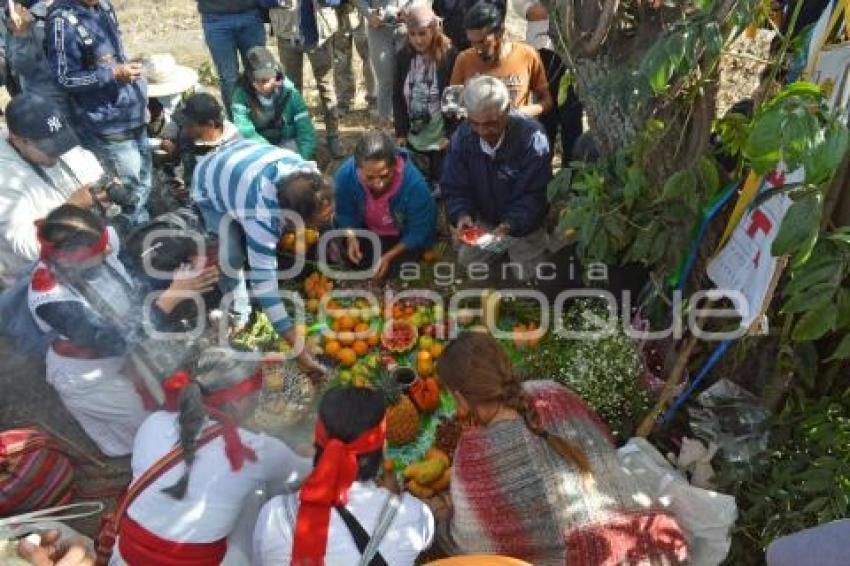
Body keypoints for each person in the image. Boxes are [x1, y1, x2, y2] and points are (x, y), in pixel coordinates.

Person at [433, 331, 689, 564]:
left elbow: (469, 545)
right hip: (660, 543)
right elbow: (604, 443)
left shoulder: (473, 455)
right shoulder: (552, 392)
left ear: (459, 398)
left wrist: (440, 520)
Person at [28, 205, 219, 456]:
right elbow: (118, 341)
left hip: (128, 355)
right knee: (153, 438)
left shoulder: (101, 239)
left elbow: (138, 277)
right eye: (98, 252)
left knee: (167, 414)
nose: (109, 251)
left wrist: (190, 259)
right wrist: (173, 295)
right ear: (69, 258)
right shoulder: (51, 298)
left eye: (104, 243)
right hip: (90, 376)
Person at [110, 348, 311, 565]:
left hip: (125, 557)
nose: (258, 400)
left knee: (238, 486)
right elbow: (304, 471)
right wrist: (305, 450)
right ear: (238, 401)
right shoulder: (256, 449)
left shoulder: (155, 422)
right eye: (256, 393)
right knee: (259, 493)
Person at [191, 139, 332, 371]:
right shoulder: (262, 217)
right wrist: (296, 346)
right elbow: (264, 285)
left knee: (258, 249)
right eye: (319, 220)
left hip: (243, 158)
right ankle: (239, 312)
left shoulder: (311, 179)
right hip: (211, 182)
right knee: (232, 256)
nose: (327, 219)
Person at [254, 386, 435, 565]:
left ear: (317, 442)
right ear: (382, 447)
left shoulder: (274, 516)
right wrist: (393, 501)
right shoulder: (413, 514)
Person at [46, 0, 152, 225]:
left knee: (144, 182)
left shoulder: (103, 6)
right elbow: (65, 78)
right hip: (107, 121)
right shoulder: (61, 21)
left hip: (132, 112)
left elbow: (115, 54)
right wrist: (113, 74)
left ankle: (147, 230)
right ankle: (136, 240)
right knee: (126, 192)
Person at [440, 76, 552, 281]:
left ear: (507, 110)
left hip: (522, 223)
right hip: (486, 220)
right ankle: (501, 249)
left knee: (531, 275)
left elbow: (535, 194)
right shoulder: (463, 137)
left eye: (491, 124)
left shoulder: (532, 138)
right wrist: (462, 214)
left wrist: (511, 224)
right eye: (476, 123)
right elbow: (454, 186)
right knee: (469, 263)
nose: (483, 131)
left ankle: (529, 243)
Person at [0, 94, 103, 287]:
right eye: (49, 149)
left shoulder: (50, 139)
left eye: (62, 142)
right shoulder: (4, 179)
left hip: (85, 255)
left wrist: (102, 191)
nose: (58, 152)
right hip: (43, 280)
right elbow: (29, 247)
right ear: (18, 140)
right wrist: (72, 208)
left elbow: (91, 171)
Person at [335, 130, 437, 280]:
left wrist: (389, 256)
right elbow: (344, 212)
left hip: (400, 236)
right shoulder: (345, 176)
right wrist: (352, 237)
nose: (378, 183)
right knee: (352, 255)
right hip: (367, 230)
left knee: (397, 268)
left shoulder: (415, 185)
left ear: (394, 165)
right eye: (369, 177)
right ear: (358, 168)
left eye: (384, 175)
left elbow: (419, 230)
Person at [268, 0, 345, 158]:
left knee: (326, 86)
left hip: (319, 34)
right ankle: (295, 134)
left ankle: (333, 135)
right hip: (287, 34)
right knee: (290, 89)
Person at [450, 1, 552, 119]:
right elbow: (453, 103)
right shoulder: (464, 59)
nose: (477, 49)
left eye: (483, 42)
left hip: (515, 129)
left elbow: (546, 101)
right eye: (472, 42)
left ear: (500, 33)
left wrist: (521, 113)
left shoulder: (527, 55)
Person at [392, 5, 457, 192]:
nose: (417, 40)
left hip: (441, 137)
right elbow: (397, 96)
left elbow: (458, 98)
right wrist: (401, 132)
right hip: (415, 135)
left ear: (434, 30)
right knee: (417, 185)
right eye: (412, 34)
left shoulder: (449, 55)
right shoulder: (403, 56)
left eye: (422, 33)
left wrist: (451, 135)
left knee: (445, 184)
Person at [512, 0, 583, 159]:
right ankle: (543, 173)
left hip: (578, 45)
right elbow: (531, 11)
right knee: (546, 115)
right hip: (543, 47)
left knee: (572, 116)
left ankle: (573, 174)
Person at [232, 46, 317, 160]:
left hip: (286, 142)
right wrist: (270, 153)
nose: (262, 85)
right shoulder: (240, 94)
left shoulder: (291, 93)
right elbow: (244, 129)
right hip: (257, 146)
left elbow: (305, 131)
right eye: (256, 80)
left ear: (276, 75)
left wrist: (301, 160)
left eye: (266, 80)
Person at [3, 0, 75, 120]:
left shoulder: (80, 7)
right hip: (49, 103)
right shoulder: (20, 15)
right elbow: (23, 67)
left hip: (84, 99)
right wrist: (22, 35)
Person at [196, 0, 266, 116]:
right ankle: (237, 121)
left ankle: (264, 119)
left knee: (258, 71)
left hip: (250, 15)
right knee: (229, 78)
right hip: (216, 18)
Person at [356, 0, 409, 123]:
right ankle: (385, 125)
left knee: (408, 78)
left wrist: (410, 9)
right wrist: (369, 14)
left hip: (407, 27)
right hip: (379, 28)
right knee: (385, 80)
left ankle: (408, 125)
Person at [333, 0, 376, 114]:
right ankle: (343, 100)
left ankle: (374, 100)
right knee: (340, 59)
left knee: (370, 56)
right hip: (339, 10)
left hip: (363, 9)